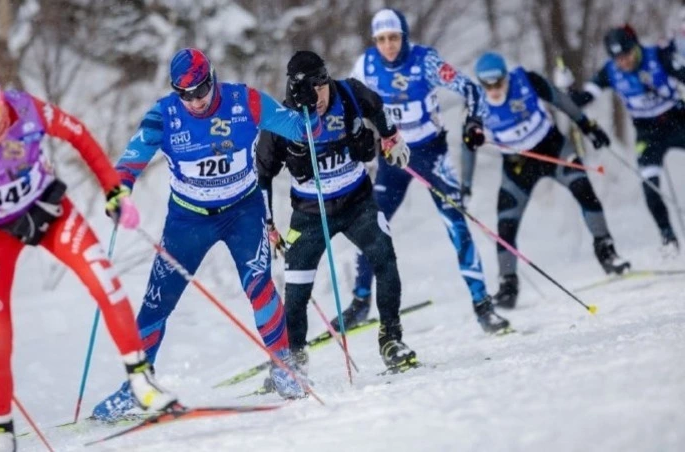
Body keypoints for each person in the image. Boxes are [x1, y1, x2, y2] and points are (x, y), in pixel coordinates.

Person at [0, 64, 176, 451]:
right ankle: (2, 434)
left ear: (0, 102)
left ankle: (141, 382)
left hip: (48, 212)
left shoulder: (26, 109)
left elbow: (80, 136)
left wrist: (113, 190)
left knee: (104, 281)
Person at [91, 48, 322, 421]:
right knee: (156, 303)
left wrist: (309, 108)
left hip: (243, 212)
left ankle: (284, 368)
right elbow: (129, 163)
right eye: (187, 95)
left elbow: (302, 130)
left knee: (259, 286)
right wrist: (119, 191)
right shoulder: (164, 115)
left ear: (213, 78)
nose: (196, 101)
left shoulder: (244, 101)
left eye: (202, 90)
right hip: (188, 220)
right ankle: (137, 387)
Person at [337, 8, 510, 333]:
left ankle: (483, 306)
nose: (389, 45)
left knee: (457, 226)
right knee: (370, 225)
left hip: (431, 156)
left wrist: (474, 121)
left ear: (404, 36)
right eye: (382, 39)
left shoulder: (425, 61)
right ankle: (360, 302)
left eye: (394, 37)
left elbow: (471, 90)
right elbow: (346, 104)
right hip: (393, 159)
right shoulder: (366, 65)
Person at [256, 50, 417, 374]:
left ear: (327, 80)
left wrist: (391, 138)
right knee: (296, 286)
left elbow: (378, 109)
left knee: (384, 258)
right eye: (307, 91)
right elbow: (262, 176)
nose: (316, 98)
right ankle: (294, 361)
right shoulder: (282, 119)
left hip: (357, 203)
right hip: (309, 213)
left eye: (321, 87)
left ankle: (391, 339)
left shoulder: (350, 93)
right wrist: (268, 223)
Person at [464, 52, 631, 308]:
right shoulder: (476, 102)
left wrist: (588, 126)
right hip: (518, 166)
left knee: (583, 189)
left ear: (505, 77)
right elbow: (468, 143)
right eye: (487, 85)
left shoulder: (525, 81)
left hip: (552, 148)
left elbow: (561, 100)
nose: (494, 89)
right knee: (506, 223)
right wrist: (465, 183)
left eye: (498, 82)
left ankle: (607, 253)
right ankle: (508, 286)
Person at [554, 24, 685, 256]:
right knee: (649, 184)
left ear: (636, 48)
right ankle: (668, 238)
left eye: (627, 55)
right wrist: (566, 90)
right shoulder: (610, 72)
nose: (623, 62)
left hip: (676, 120)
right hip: (647, 132)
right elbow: (582, 99)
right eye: (618, 58)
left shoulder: (658, 56)